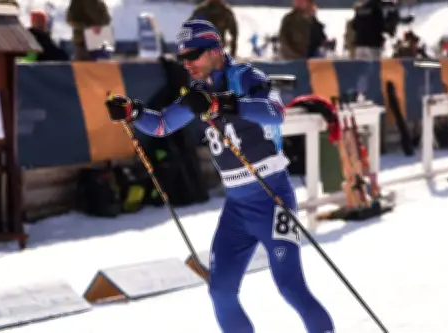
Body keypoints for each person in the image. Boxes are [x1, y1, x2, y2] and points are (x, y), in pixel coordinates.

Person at [105, 20, 335, 333]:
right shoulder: (196, 91)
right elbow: (161, 125)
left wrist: (223, 105)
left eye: (194, 55)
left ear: (215, 51)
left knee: (290, 288)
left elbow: (276, 112)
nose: (188, 64)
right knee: (220, 291)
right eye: (182, 58)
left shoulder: (245, 76)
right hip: (237, 208)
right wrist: (133, 112)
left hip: (272, 198)